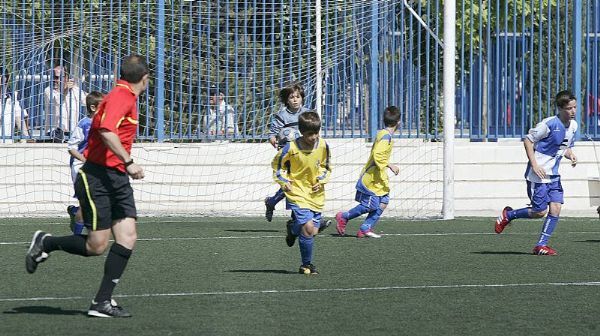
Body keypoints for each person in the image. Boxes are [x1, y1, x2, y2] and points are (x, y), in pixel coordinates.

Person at [25, 54, 149, 317]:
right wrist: (129, 161)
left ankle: (101, 302)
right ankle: (46, 243)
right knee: (96, 246)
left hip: (116, 178)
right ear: (145, 78)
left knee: (128, 237)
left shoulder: (126, 95)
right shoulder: (120, 96)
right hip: (97, 177)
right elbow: (105, 129)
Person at [495, 90, 578, 256]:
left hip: (553, 175)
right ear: (561, 108)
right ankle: (509, 215)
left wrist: (571, 155)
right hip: (538, 175)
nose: (573, 111)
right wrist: (534, 165)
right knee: (539, 212)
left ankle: (541, 245)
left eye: (575, 107)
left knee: (556, 208)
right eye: (569, 108)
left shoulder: (573, 126)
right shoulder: (548, 124)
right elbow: (528, 140)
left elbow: (563, 147)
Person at [271, 111, 330, 274]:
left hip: (315, 194)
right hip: (296, 193)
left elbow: (326, 166)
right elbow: (277, 167)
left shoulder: (323, 145)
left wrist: (321, 180)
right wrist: (284, 182)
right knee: (309, 228)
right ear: (302, 132)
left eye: (316, 133)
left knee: (312, 231)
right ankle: (306, 265)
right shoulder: (291, 148)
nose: (314, 137)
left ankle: (293, 229)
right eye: (310, 134)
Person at [335, 106, 401, 238]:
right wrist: (390, 165)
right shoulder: (385, 137)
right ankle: (344, 216)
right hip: (371, 178)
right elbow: (377, 155)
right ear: (399, 122)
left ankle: (365, 228)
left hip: (379, 177)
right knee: (369, 206)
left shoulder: (384, 134)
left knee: (384, 201)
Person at [264, 81, 309, 222]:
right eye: (291, 97)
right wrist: (277, 145)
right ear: (287, 100)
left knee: (298, 184)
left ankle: (272, 202)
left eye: (298, 96)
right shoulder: (282, 115)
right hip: (289, 155)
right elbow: (272, 134)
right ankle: (297, 218)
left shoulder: (307, 114)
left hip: (305, 155)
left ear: (302, 98)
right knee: (292, 183)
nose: (295, 100)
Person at [66, 91, 104, 235]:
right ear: (93, 108)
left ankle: (75, 213)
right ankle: (76, 236)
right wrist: (85, 160)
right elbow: (71, 148)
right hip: (80, 166)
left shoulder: (103, 124)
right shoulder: (84, 124)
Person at [43, 65, 87, 138]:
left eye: (58, 77)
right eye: (54, 77)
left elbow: (87, 101)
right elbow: (58, 101)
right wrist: (66, 89)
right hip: (54, 133)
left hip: (72, 133)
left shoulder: (75, 89)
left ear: (66, 77)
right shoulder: (48, 90)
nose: (55, 80)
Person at [0, 67, 30, 142]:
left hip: (7, 143)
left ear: (8, 77)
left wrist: (26, 137)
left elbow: (20, 118)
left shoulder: (14, 95)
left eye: (2, 76)